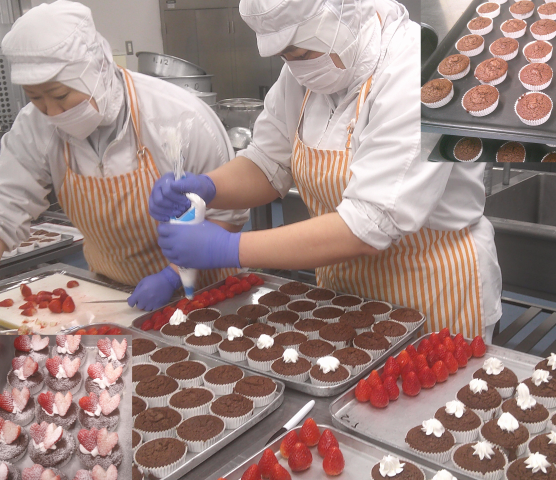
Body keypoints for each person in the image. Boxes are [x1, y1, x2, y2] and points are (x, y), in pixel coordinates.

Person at [149, 0, 503, 339]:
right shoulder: (303, 73)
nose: (296, 67)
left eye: (302, 54)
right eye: (285, 56)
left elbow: (370, 222)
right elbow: (268, 162)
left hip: (432, 291)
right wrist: (207, 187)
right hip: (345, 293)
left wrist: (228, 248)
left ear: (344, 16)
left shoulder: (416, 70)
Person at [0, 0, 248, 311]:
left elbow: (228, 215)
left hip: (204, 294)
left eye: (61, 96)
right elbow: (6, 205)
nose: (51, 112)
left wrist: (172, 276)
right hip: (113, 296)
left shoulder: (179, 117)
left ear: (96, 70)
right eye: (36, 98)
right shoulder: (35, 127)